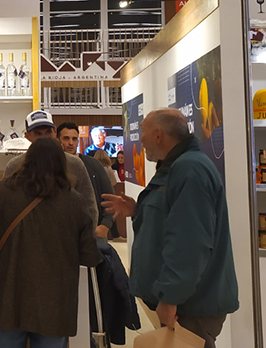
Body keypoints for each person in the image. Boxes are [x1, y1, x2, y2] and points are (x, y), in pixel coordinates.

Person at [102, 108, 239, 348]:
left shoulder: (190, 169)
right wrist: (138, 210)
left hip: (192, 304)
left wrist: (170, 296)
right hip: (186, 301)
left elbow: (190, 243)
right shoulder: (176, 167)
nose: (140, 139)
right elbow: (175, 219)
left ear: (158, 135)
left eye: (143, 132)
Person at [0, 137, 101, 347]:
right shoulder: (74, 201)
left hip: (7, 299)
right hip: (55, 303)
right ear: (62, 163)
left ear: (25, 160)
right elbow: (89, 255)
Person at [4, 111, 98, 225]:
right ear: (27, 136)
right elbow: (6, 206)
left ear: (54, 133)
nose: (44, 138)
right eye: (38, 133)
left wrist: (87, 233)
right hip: (27, 232)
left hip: (66, 232)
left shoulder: (75, 164)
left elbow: (89, 206)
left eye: (48, 132)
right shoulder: (15, 166)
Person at [57, 122, 115, 239]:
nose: (70, 143)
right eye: (66, 138)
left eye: (74, 139)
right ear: (58, 140)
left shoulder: (93, 164)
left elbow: (109, 197)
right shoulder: (53, 166)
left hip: (93, 230)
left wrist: (105, 225)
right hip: (60, 232)